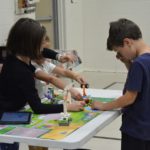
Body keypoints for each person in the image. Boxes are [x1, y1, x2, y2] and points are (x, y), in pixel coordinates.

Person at [0, 18, 85, 150]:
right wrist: (67, 106)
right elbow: (38, 108)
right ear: (30, 45)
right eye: (40, 44)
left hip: (11, 110)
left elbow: (43, 52)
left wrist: (58, 56)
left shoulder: (15, 56)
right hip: (5, 117)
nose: (43, 48)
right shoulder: (22, 72)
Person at [91, 18, 150, 150]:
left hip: (136, 130)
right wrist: (127, 63)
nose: (120, 55)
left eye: (119, 51)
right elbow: (143, 81)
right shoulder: (143, 61)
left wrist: (104, 106)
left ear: (127, 42)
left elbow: (129, 98)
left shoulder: (139, 64)